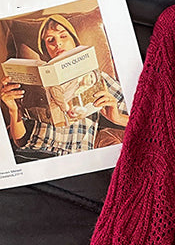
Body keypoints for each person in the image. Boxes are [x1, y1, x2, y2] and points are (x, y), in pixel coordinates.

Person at [0, 14, 129, 155]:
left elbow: (141, 119)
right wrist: (13, 110)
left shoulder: (97, 76)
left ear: (74, 41)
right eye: (50, 40)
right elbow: (20, 141)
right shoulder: (31, 81)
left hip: (74, 154)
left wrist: (117, 118)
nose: (57, 43)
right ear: (46, 49)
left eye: (63, 36)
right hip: (34, 153)